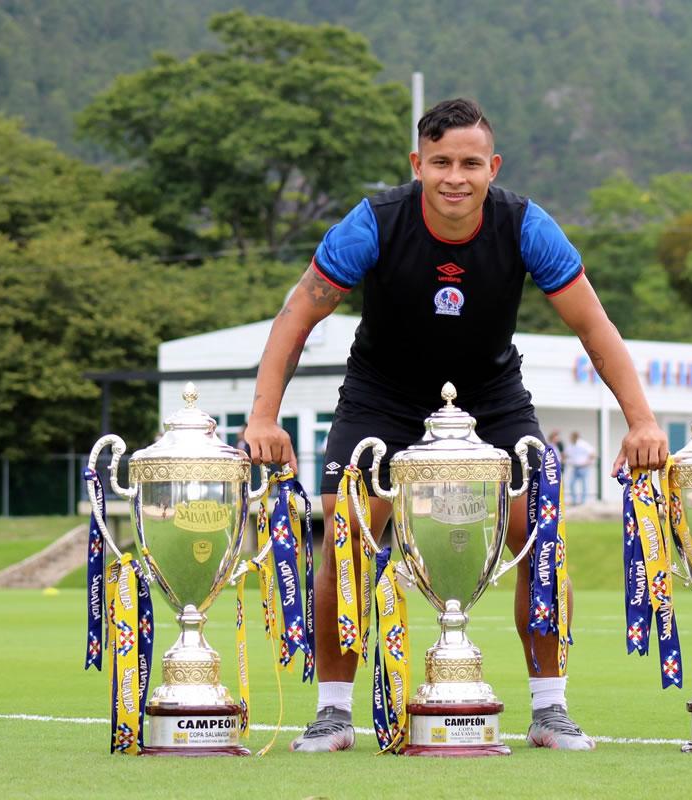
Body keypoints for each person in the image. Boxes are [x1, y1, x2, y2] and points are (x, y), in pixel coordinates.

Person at [243, 98, 670, 753]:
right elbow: (296, 317)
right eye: (440, 161)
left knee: (538, 532)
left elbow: (593, 326)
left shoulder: (527, 225)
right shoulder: (373, 224)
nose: (455, 176)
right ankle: (333, 712)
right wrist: (263, 417)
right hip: (382, 396)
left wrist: (641, 421)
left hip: (490, 396)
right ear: (417, 164)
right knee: (348, 534)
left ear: (492, 167)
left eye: (471, 163)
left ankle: (550, 708)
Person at [563, 431, 596, 507]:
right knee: (571, 484)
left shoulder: (583, 444)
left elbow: (593, 453)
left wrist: (587, 462)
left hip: (584, 467)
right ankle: (574, 501)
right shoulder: (571, 445)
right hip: (575, 467)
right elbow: (565, 454)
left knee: (584, 484)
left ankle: (583, 502)